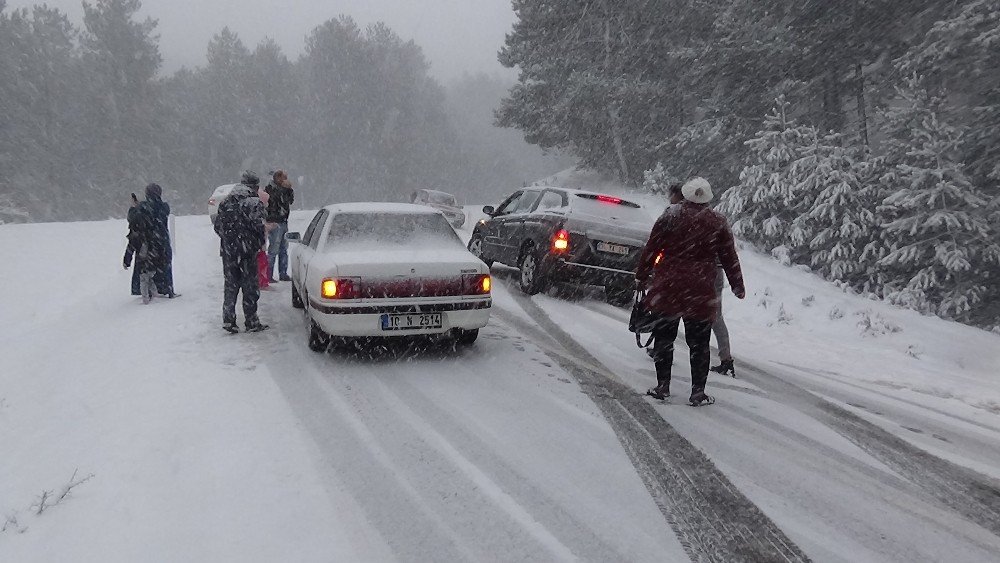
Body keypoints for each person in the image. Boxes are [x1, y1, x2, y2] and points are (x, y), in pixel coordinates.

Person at [635, 177, 745, 406]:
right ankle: (697, 392)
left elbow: (651, 247)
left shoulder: (669, 216)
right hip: (700, 290)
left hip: (668, 287)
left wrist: (642, 275)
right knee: (699, 343)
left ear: (684, 194)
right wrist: (737, 285)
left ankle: (663, 386)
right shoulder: (718, 222)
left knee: (665, 339)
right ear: (707, 198)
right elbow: (729, 256)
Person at [215, 171, 268, 333]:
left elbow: (217, 226)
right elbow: (259, 226)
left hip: (229, 252)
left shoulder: (226, 202)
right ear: (255, 186)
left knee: (230, 286)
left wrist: (228, 241)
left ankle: (228, 319)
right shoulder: (253, 202)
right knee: (250, 287)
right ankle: (251, 320)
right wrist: (257, 243)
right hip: (247, 252)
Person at [646, 183, 685, 359]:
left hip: (668, 271)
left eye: (672, 195)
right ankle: (664, 347)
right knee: (671, 314)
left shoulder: (671, 214)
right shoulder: (693, 215)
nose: (670, 198)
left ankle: (661, 348)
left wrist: (645, 271)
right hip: (683, 274)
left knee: (662, 311)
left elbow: (654, 243)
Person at [124, 187, 171, 304]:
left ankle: (146, 292)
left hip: (145, 245)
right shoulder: (163, 207)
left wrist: (134, 207)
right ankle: (164, 288)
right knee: (163, 267)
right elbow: (160, 212)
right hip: (161, 243)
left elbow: (132, 221)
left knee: (145, 271)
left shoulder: (141, 209)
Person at [137, 183, 177, 297]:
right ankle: (167, 288)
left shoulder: (143, 207)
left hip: (148, 240)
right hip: (162, 239)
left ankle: (151, 289)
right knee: (165, 264)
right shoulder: (164, 206)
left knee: (150, 266)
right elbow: (162, 213)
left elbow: (135, 218)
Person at [264, 170, 294, 282]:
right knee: (273, 249)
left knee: (283, 248)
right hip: (274, 221)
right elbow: (276, 201)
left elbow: (289, 201)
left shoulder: (285, 190)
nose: (285, 180)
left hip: (283, 220)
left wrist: (289, 189)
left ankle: (283, 273)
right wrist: (284, 189)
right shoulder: (270, 189)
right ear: (277, 178)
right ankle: (269, 274)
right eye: (283, 178)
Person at [710, 267, 737, 377]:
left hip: (705, 272)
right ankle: (726, 359)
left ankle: (664, 348)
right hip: (711, 271)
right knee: (716, 317)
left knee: (715, 317)